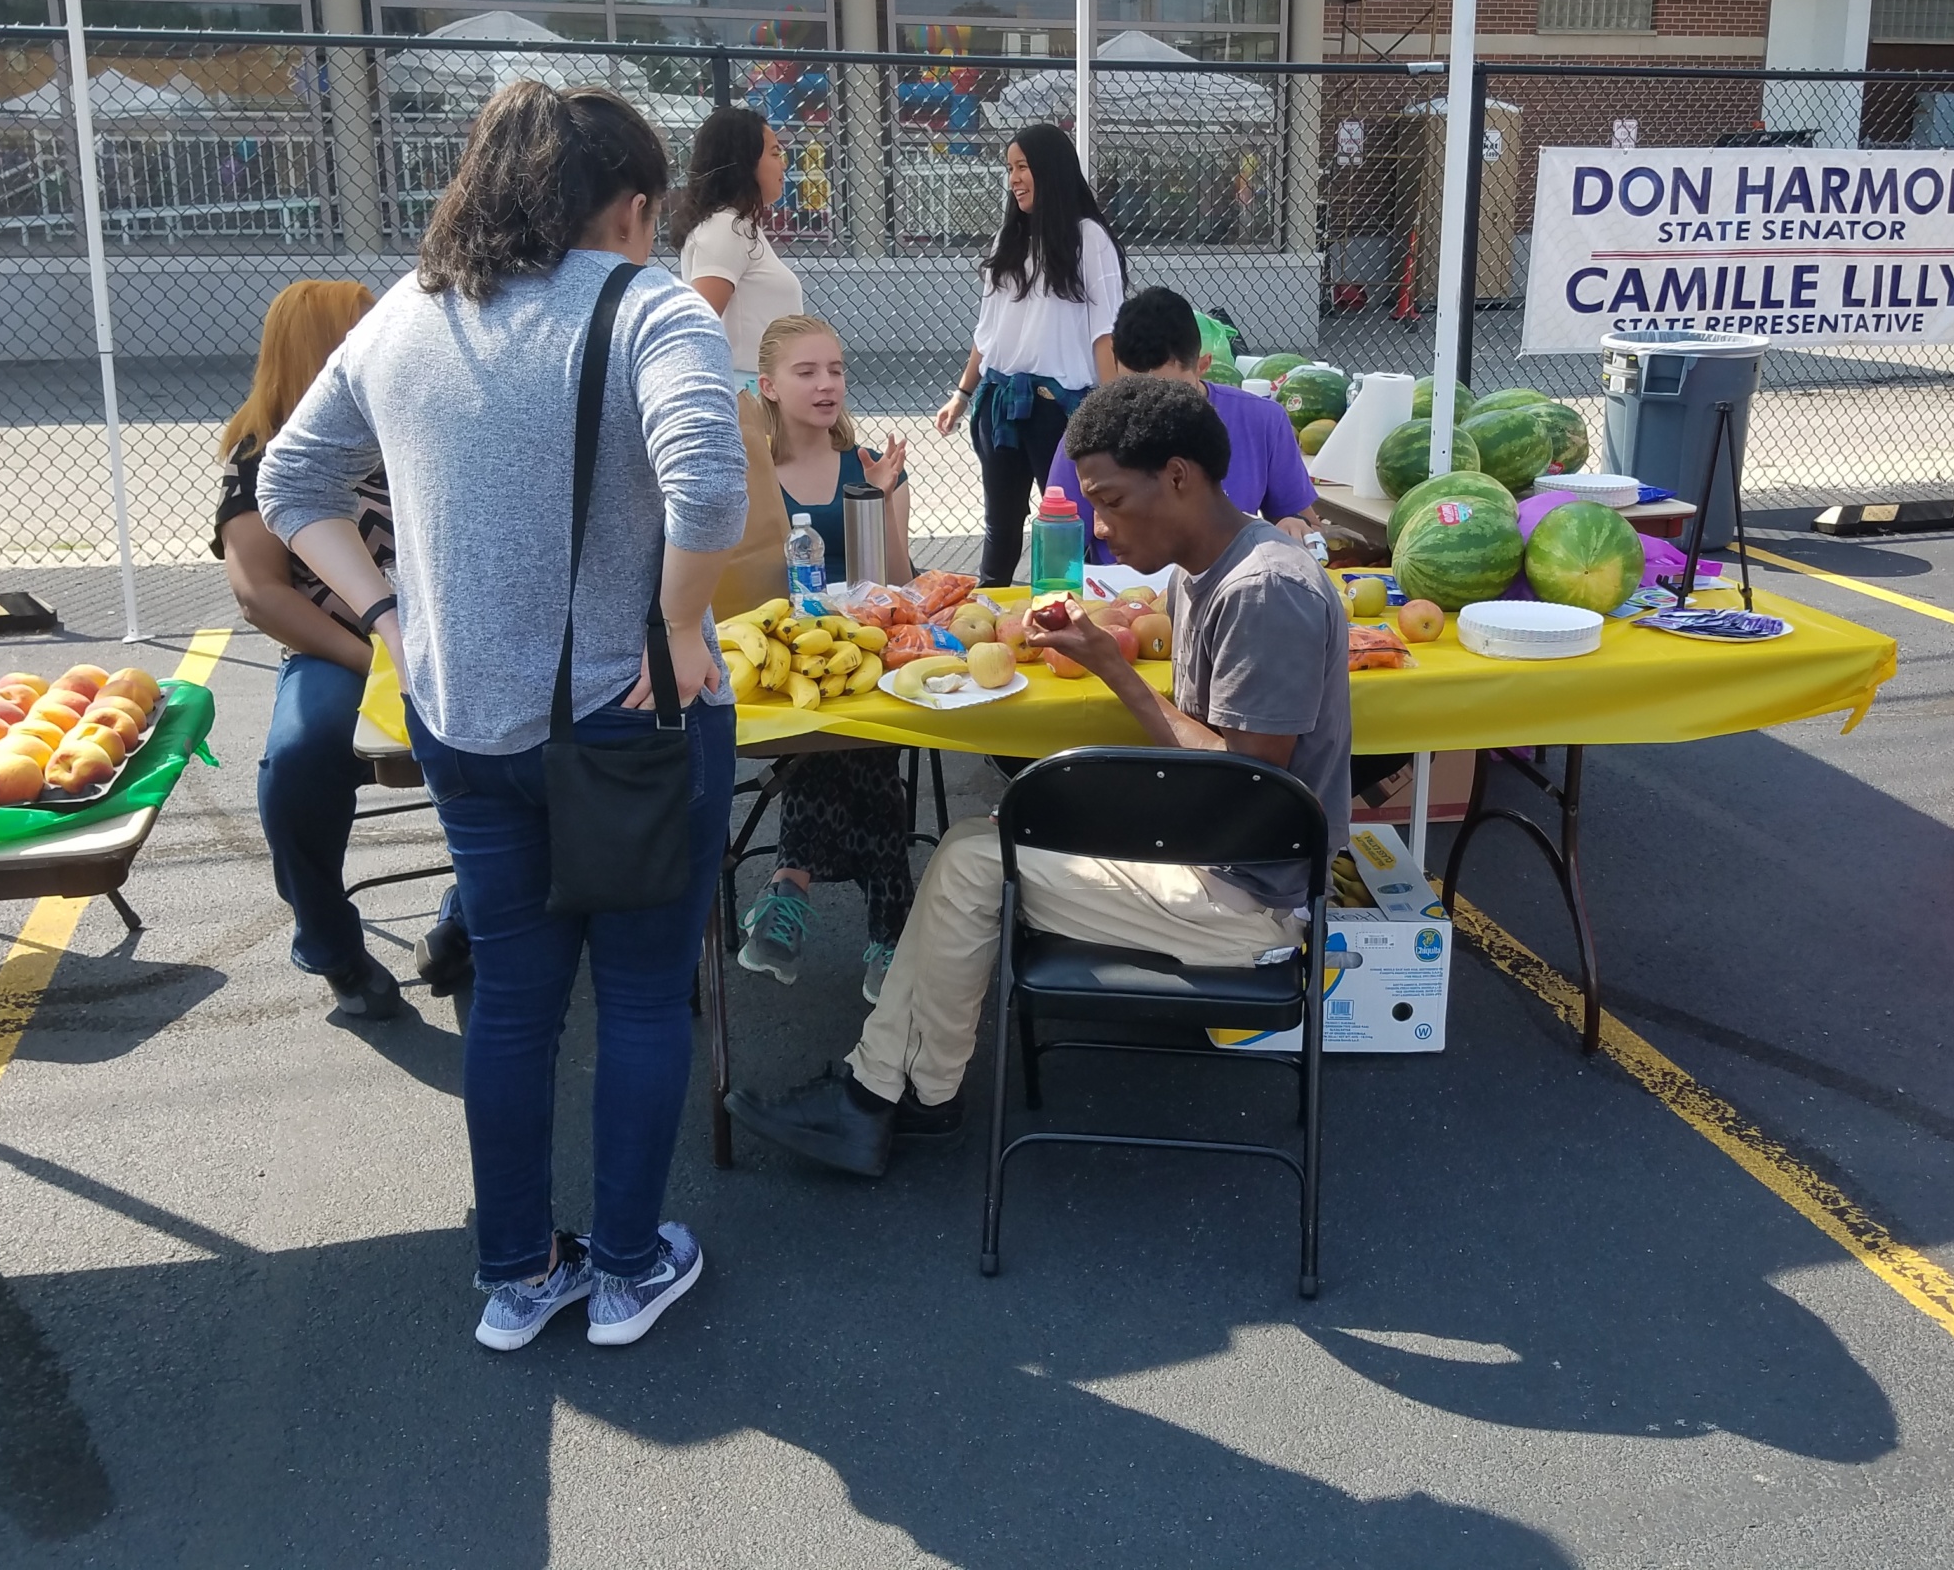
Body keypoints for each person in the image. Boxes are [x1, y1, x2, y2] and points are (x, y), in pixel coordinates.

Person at [258, 81, 745, 1352]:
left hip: (461, 722)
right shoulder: (649, 308)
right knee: (641, 1000)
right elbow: (706, 483)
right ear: (634, 206)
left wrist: (381, 614)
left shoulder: (404, 315)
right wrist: (682, 628)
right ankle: (631, 1269)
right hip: (628, 721)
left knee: (518, 1002)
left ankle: (519, 1275)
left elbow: (287, 479)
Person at [727, 376, 1353, 1177]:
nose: (1098, 525)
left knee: (968, 865)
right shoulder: (1212, 568)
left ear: (1179, 476)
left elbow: (1251, 789)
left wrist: (1114, 676)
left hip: (1249, 904)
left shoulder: (1265, 588)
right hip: (1219, 853)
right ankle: (887, 1091)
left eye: (1110, 500)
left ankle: (894, 1096)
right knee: (975, 845)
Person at [213, 276, 425, 1020]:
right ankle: (330, 941)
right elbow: (262, 594)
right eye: (365, 327)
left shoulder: (410, 418)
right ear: (324, 349)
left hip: (447, 637)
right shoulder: (260, 453)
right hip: (342, 649)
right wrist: (374, 660)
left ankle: (473, 915)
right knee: (299, 761)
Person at [736, 314, 917, 1004]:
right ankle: (891, 935)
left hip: (867, 655)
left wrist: (881, 494)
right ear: (769, 387)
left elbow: (900, 582)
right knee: (859, 753)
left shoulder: (867, 461)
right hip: (790, 661)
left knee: (852, 742)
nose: (826, 384)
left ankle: (788, 886)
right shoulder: (755, 475)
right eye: (807, 372)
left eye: (835, 370)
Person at [932, 123, 1123, 586]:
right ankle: (988, 615)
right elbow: (989, 331)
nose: (1013, 179)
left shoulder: (1089, 240)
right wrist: (962, 394)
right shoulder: (1007, 242)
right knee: (1001, 528)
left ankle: (1070, 617)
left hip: (1058, 412)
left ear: (1050, 170)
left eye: (1022, 167)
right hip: (998, 404)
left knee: (1064, 528)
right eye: (1010, 169)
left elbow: (1106, 335)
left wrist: (1116, 415)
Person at [1046, 286, 1320, 563]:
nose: (1152, 409)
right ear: (1115, 365)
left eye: (1171, 392)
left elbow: (1303, 522)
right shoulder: (1092, 432)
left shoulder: (1262, 420)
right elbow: (1055, 550)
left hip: (1231, 584)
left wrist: (1295, 524)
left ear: (1203, 365)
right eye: (1134, 390)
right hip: (1128, 594)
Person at [673, 104, 802, 384]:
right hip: (747, 395)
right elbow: (700, 325)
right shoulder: (725, 228)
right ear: (744, 161)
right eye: (775, 153)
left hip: (763, 389)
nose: (784, 163)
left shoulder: (739, 227)